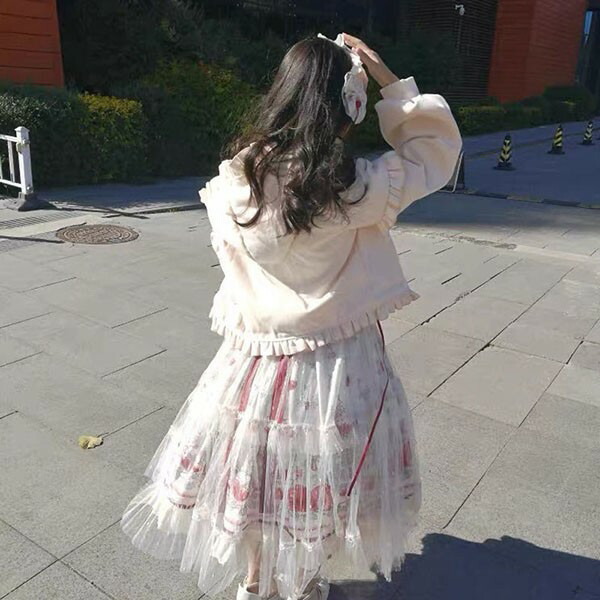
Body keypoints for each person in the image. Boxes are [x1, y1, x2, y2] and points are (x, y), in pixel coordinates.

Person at [121, 32, 462, 600]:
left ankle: (255, 583)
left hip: (255, 360)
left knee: (258, 475)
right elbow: (436, 152)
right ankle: (303, 583)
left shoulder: (236, 182)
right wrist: (389, 80)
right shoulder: (358, 186)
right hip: (340, 361)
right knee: (319, 477)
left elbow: (234, 259)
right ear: (347, 105)